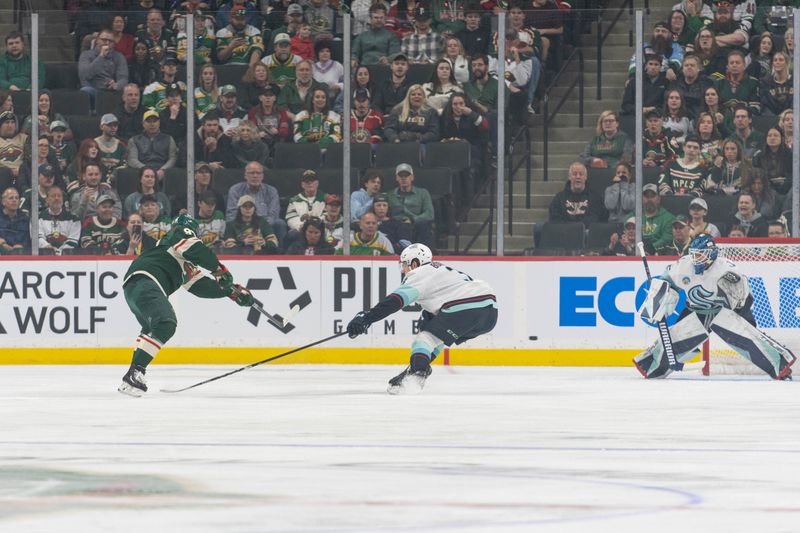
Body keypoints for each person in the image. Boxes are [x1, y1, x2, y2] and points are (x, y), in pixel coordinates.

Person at [118, 213, 254, 396]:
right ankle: (135, 373)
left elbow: (199, 286)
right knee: (166, 323)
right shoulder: (179, 233)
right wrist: (219, 270)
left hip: (136, 287)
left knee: (153, 328)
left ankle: (131, 377)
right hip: (146, 281)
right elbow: (194, 247)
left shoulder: (181, 260)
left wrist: (231, 292)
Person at [634, 234, 795, 380]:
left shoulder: (726, 269)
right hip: (697, 310)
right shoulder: (683, 266)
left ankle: (780, 365)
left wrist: (739, 308)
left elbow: (743, 297)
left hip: (724, 310)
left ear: (711, 254)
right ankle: (651, 366)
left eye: (700, 254)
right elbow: (666, 282)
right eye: (694, 253)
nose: (695, 258)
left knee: (749, 337)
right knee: (676, 337)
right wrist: (658, 299)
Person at [346, 243, 497, 393]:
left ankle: (417, 376)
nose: (403, 270)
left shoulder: (420, 273)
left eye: (404, 265)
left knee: (424, 339)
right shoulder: (441, 275)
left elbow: (395, 301)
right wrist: (416, 365)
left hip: (466, 306)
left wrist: (366, 318)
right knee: (430, 333)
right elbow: (436, 342)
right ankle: (416, 370)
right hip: (489, 313)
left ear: (415, 263)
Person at [225, 161, 286, 244]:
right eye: (251, 173)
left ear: (262, 176)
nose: (255, 176)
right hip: (241, 226)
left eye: (258, 173)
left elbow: (273, 215)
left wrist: (258, 228)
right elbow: (231, 215)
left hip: (264, 226)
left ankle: (278, 253)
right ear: (245, 175)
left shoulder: (271, 191)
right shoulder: (235, 190)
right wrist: (247, 229)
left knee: (280, 223)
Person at [387, 163, 434, 248]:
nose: (403, 178)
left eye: (407, 175)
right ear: (396, 178)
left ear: (412, 177)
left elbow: (429, 213)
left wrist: (413, 219)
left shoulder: (423, 193)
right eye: (401, 176)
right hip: (396, 225)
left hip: (416, 225)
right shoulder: (390, 195)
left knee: (424, 226)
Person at [78, 27, 129, 105]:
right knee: (85, 90)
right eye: (104, 40)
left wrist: (116, 85)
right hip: (93, 90)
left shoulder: (119, 56)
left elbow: (123, 78)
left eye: (111, 41)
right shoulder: (86, 55)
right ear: (97, 40)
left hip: (111, 92)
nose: (107, 43)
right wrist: (101, 56)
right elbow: (85, 75)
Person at [548, 161, 607, 227]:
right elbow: (555, 219)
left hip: (586, 233)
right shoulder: (559, 198)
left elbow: (595, 218)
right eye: (574, 174)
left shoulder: (596, 198)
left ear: (586, 177)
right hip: (565, 232)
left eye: (581, 174)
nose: (578, 177)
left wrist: (577, 228)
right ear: (569, 177)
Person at [127, 109, 179, 180]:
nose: (152, 124)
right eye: (148, 121)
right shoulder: (134, 140)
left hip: (164, 173)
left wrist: (163, 170)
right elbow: (132, 160)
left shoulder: (169, 139)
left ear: (159, 123)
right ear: (143, 124)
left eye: (155, 121)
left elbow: (173, 158)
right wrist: (147, 170)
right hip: (142, 172)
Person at [285, 168, 326, 244]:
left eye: (312, 181)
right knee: (292, 234)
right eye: (307, 181)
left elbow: (327, 215)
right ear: (302, 184)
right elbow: (290, 218)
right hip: (300, 229)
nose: (310, 183)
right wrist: (302, 226)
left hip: (320, 229)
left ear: (317, 183)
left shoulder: (326, 198)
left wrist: (315, 225)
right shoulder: (294, 200)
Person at [247, 83, 292, 152]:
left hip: (277, 141)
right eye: (265, 95)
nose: (268, 98)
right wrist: (257, 135)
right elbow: (250, 130)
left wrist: (278, 132)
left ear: (275, 98)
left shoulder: (281, 111)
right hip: (259, 142)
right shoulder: (253, 112)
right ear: (260, 98)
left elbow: (285, 130)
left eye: (271, 95)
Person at [37, 186, 80, 255]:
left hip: (66, 259)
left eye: (59, 196)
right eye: (53, 196)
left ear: (63, 199)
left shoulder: (74, 219)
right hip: (45, 257)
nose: (57, 198)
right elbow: (38, 238)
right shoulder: (38, 218)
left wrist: (59, 253)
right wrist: (48, 248)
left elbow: (73, 241)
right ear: (47, 199)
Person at [751, 127, 792, 196]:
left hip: (786, 188)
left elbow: (792, 175)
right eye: (769, 135)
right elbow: (757, 175)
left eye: (776, 135)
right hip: (766, 189)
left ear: (782, 138)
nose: (772, 138)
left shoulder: (789, 154)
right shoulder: (759, 156)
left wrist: (784, 186)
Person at [668, 54, 711, 119]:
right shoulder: (675, 83)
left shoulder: (706, 83)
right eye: (686, 65)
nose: (689, 67)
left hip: (698, 119)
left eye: (692, 65)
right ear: (682, 69)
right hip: (678, 118)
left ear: (698, 69)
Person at [643, 183, 676, 253]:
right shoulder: (634, 216)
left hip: (660, 254)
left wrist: (648, 249)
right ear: (642, 199)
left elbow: (666, 239)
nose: (649, 199)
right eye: (646, 196)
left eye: (652, 196)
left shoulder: (669, 218)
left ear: (659, 198)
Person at [94, 114, 127, 178]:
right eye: (109, 125)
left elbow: (124, 164)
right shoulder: (93, 144)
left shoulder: (121, 145)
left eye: (115, 125)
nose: (113, 128)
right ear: (101, 127)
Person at [760, 51, 793, 117]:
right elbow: (765, 105)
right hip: (771, 119)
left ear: (787, 63)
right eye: (775, 60)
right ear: (772, 64)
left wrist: (786, 115)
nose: (777, 62)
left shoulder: (795, 81)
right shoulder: (765, 82)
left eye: (781, 60)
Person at [0, 186, 30, 254]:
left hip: (20, 254)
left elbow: (27, 239)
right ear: (3, 202)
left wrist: (21, 245)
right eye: (11, 198)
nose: (14, 200)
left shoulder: (25, 219)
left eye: (16, 198)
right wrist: (3, 245)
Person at [0, 110, 27, 180]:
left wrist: (21, 170)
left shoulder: (24, 138)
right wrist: (9, 171)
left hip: (21, 175)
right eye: (7, 122)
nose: (10, 125)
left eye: (12, 122)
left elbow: (30, 158)